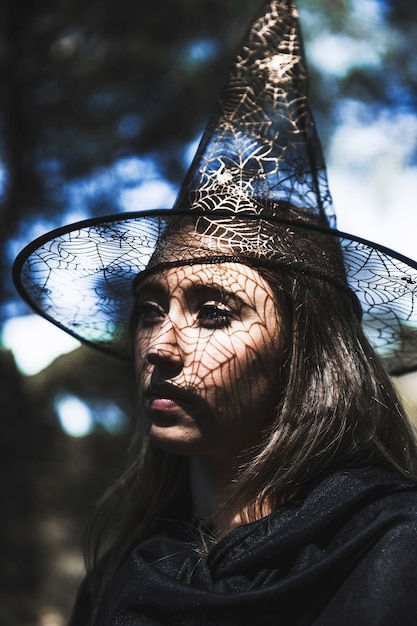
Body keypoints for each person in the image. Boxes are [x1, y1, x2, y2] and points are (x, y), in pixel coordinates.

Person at [12, 0, 417, 624]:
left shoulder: (394, 547)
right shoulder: (124, 569)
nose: (162, 347)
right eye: (150, 310)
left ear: (303, 352)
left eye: (215, 313)